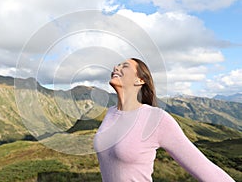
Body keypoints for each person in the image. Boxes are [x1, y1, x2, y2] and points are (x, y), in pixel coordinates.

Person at [93, 58, 235, 182]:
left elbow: (204, 168)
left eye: (124, 66)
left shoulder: (156, 119)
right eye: (117, 65)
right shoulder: (110, 113)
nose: (116, 68)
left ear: (140, 80)